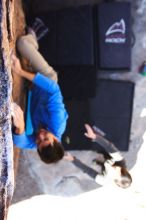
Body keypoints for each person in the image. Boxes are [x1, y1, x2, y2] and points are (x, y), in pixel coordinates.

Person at [11, 20, 68, 164]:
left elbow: (21, 143)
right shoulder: (58, 122)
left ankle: (31, 55)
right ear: (55, 139)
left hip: (32, 88)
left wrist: (21, 127)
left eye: (39, 142)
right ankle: (33, 38)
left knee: (24, 57)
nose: (40, 136)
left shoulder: (39, 143)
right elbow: (54, 89)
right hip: (47, 79)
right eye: (46, 138)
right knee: (22, 44)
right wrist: (20, 72)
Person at [64, 124, 132, 189]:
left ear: (114, 180)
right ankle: (101, 159)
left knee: (103, 164)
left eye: (116, 173)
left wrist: (72, 159)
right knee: (104, 149)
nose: (117, 168)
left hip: (105, 168)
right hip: (108, 158)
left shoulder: (104, 180)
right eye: (121, 170)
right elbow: (109, 146)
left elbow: (88, 170)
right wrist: (94, 136)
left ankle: (100, 163)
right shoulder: (121, 162)